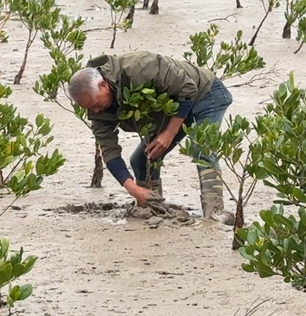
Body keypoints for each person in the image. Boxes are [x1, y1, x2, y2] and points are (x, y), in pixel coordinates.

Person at [67, 51, 234, 224]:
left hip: (205, 94)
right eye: (89, 108)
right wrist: (133, 189)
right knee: (141, 159)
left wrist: (169, 133)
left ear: (103, 85)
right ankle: (154, 207)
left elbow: (187, 88)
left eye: (95, 104)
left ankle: (214, 213)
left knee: (201, 149)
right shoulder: (97, 111)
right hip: (174, 110)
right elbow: (110, 151)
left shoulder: (140, 67)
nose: (95, 111)